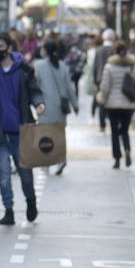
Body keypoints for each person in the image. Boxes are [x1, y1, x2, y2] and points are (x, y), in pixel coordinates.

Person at [0, 32, 46, 224]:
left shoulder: (24, 70)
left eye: (0, 46)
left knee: (25, 174)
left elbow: (35, 91)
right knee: (3, 174)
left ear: (9, 48)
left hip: (22, 131)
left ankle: (30, 201)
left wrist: (39, 104)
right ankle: (8, 210)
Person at [32, 38, 77, 174]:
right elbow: (69, 87)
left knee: (45, 134)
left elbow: (36, 84)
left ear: (45, 50)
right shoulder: (62, 65)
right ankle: (61, 160)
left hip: (45, 105)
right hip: (60, 106)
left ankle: (46, 162)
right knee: (59, 133)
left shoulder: (39, 65)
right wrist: (75, 104)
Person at [98, 39, 135, 168]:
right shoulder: (132, 65)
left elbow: (105, 87)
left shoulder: (109, 66)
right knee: (125, 130)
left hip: (113, 104)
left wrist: (102, 99)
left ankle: (117, 158)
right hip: (128, 104)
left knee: (114, 132)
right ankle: (127, 149)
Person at [92, 29, 117, 131]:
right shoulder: (115, 49)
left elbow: (95, 67)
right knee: (113, 101)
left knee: (101, 102)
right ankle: (113, 123)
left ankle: (102, 125)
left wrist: (94, 81)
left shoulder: (98, 50)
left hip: (100, 79)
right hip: (113, 79)